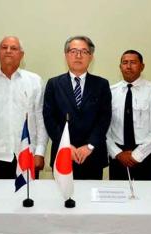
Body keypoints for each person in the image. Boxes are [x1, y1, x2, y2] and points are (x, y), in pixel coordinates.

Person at [0, 36, 48, 179]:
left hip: (27, 156)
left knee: (27, 200)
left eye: (13, 48)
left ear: (21, 55)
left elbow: (41, 120)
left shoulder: (35, 81)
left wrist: (40, 152)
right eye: (4, 47)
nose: (8, 51)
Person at [43, 35, 112, 180]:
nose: (78, 56)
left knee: (91, 200)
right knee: (61, 200)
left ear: (91, 56)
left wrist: (90, 146)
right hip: (63, 154)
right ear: (66, 55)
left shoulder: (102, 85)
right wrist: (66, 146)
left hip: (92, 155)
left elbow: (104, 119)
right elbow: (49, 119)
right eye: (73, 51)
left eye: (84, 52)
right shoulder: (53, 84)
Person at [107, 50, 151, 180]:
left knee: (147, 197)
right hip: (119, 156)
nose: (128, 66)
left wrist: (138, 154)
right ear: (120, 67)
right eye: (125, 62)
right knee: (118, 197)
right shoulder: (111, 92)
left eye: (133, 62)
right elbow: (104, 127)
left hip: (146, 155)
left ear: (142, 66)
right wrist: (116, 153)